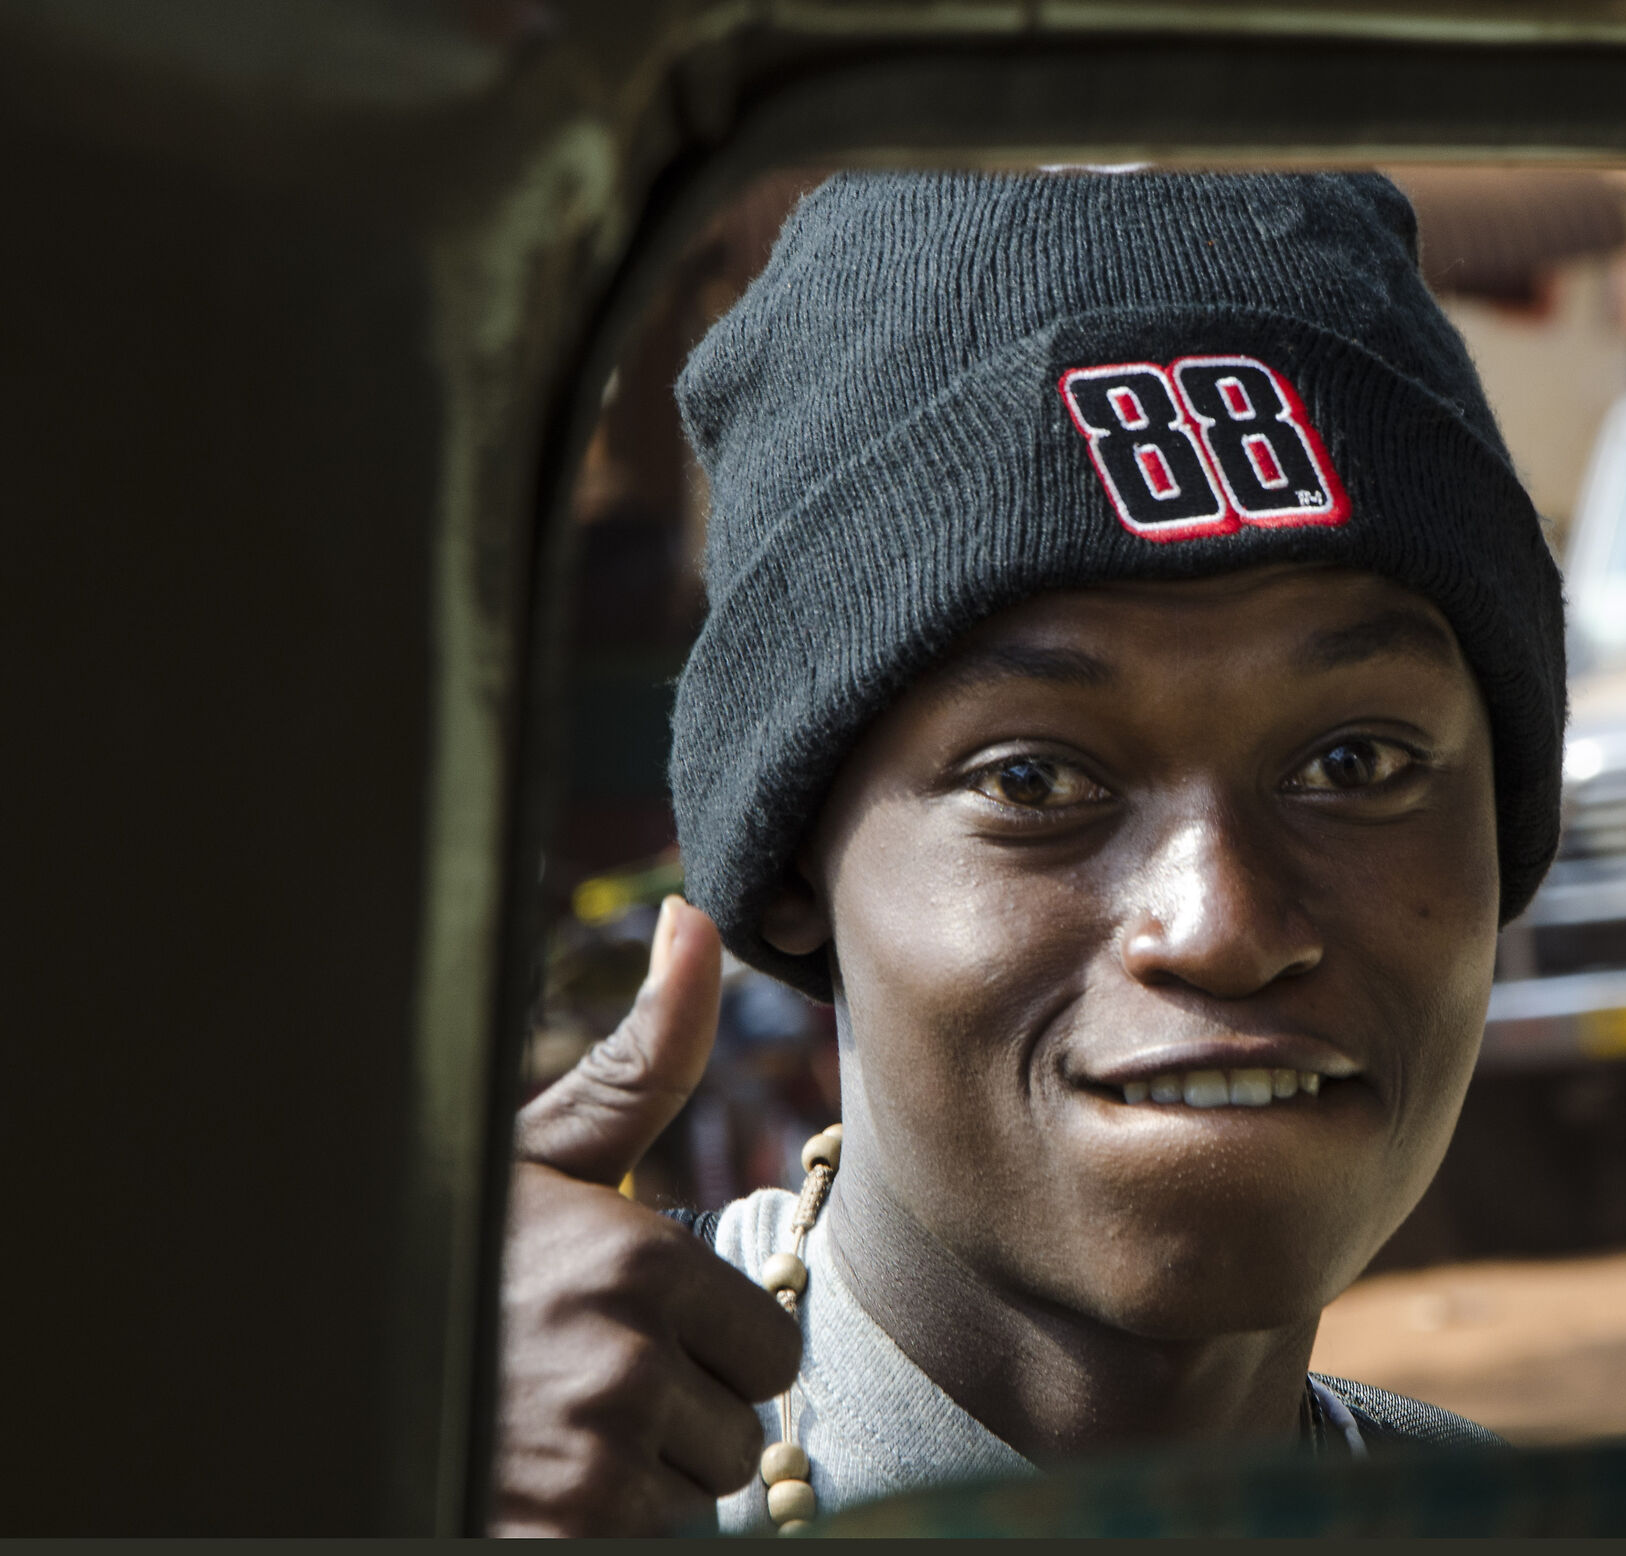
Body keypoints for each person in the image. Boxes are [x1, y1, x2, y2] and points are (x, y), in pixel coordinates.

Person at [494, 170, 1566, 1536]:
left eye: (1355, 765)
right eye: (1037, 778)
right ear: (788, 861)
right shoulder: (499, 1467)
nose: (1223, 920)